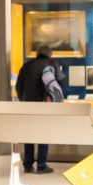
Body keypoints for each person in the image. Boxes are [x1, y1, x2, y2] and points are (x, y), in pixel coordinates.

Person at [15, 45, 64, 174]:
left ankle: (27, 164)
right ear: (50, 54)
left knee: (29, 133)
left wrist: (23, 99)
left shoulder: (26, 66)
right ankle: (41, 165)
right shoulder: (51, 64)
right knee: (43, 132)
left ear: (37, 53)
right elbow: (58, 81)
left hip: (27, 104)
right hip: (43, 104)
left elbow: (18, 85)